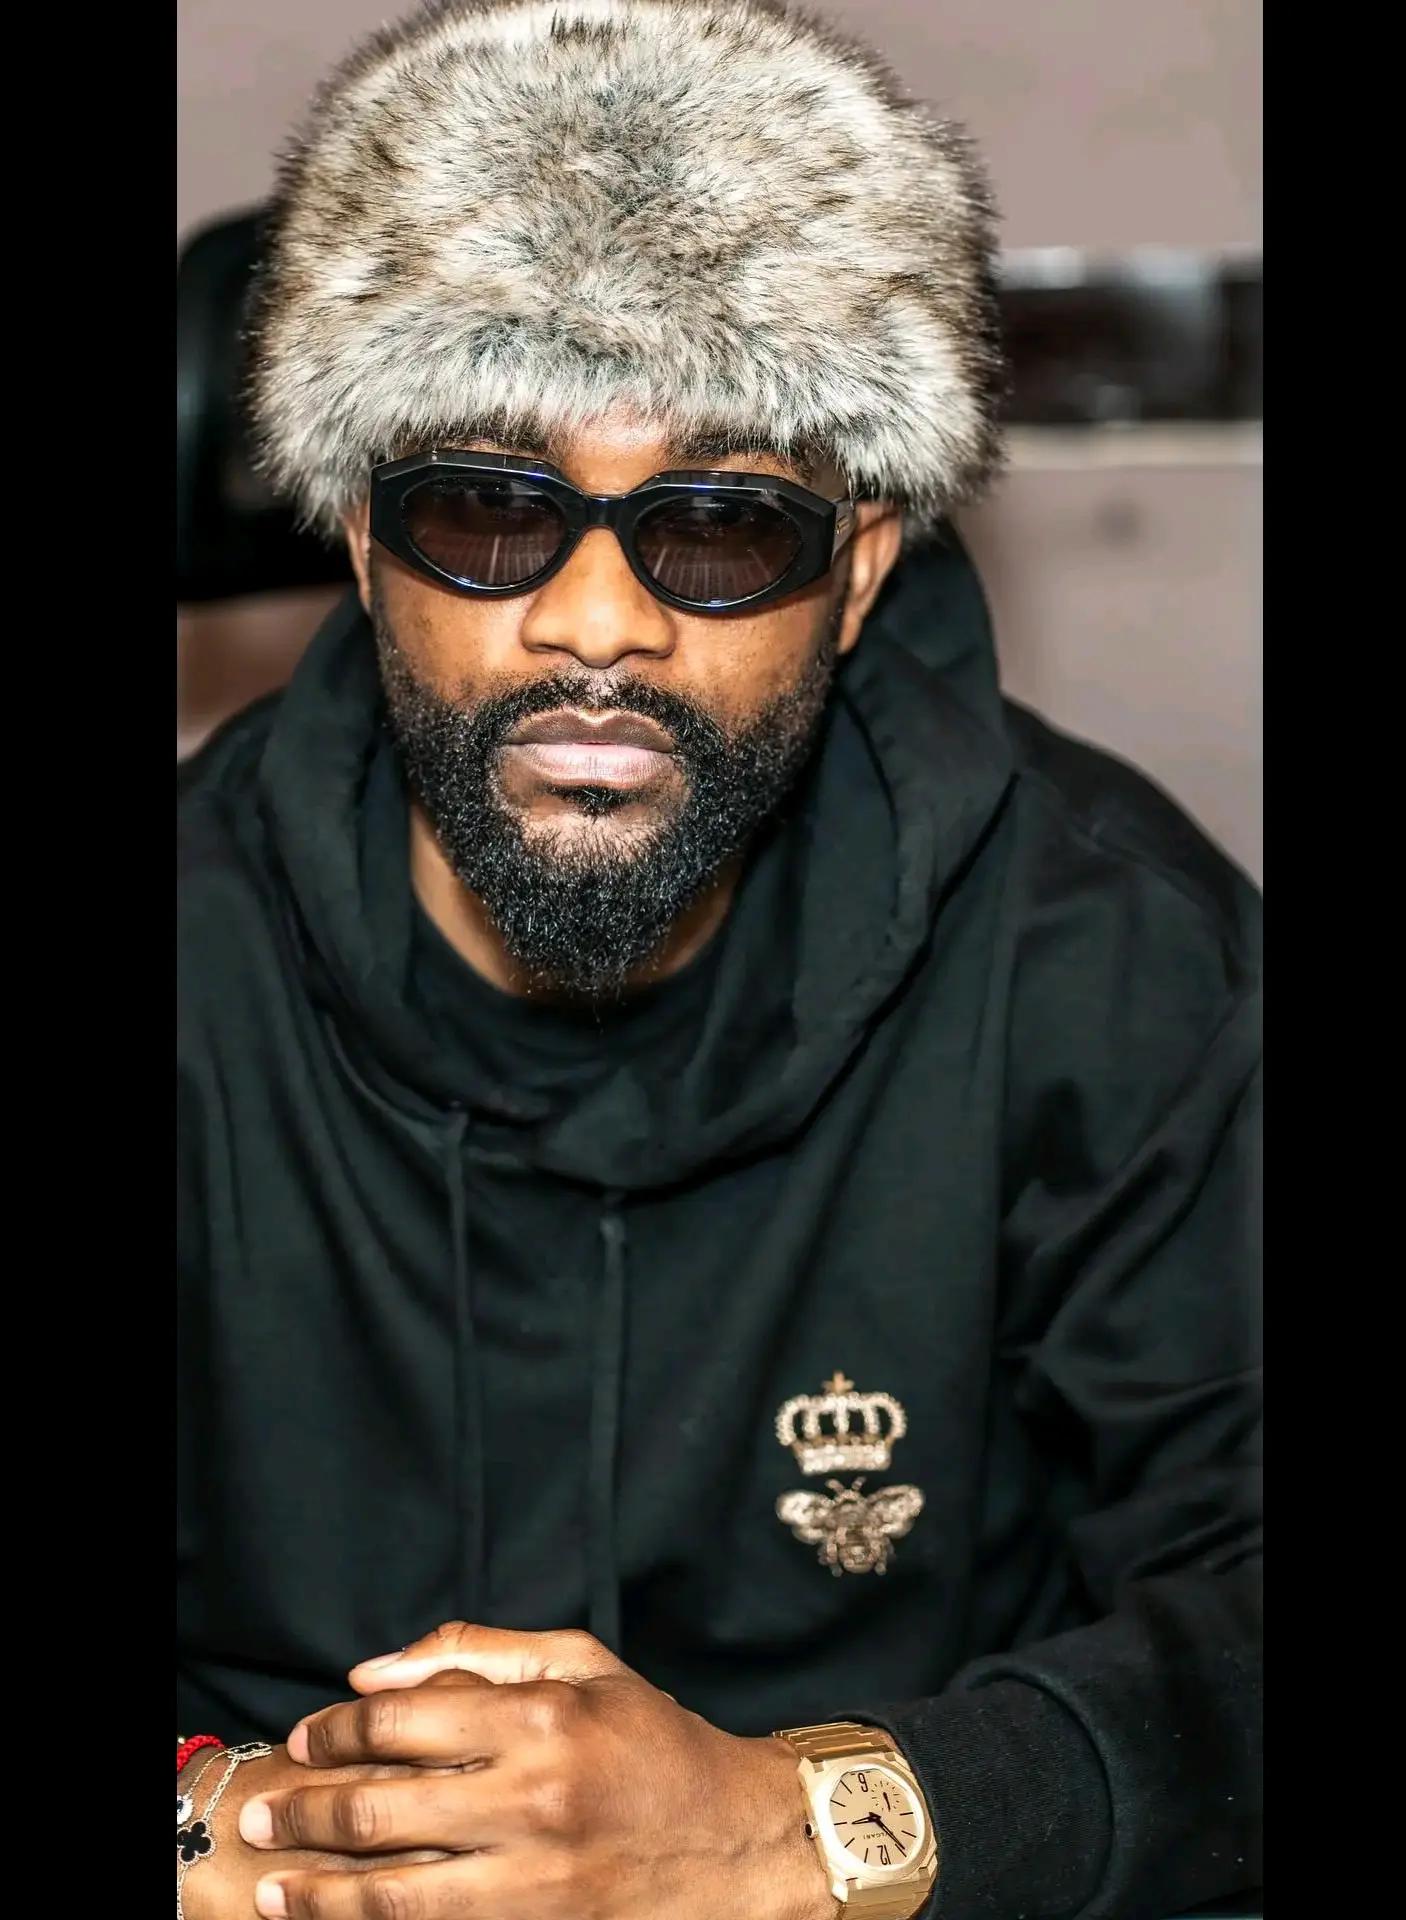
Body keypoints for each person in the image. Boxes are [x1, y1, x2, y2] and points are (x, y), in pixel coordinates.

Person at [177, 2, 1262, 1916]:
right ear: (358, 540)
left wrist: (801, 1827)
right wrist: (241, 1841)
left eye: (720, 529)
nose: (598, 626)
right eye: (488, 510)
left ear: (859, 572)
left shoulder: (1111, 958)